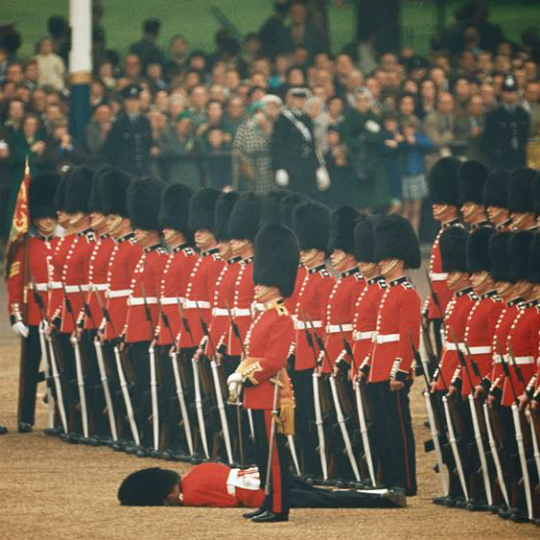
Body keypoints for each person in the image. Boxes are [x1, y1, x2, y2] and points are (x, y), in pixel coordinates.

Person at [226, 223, 299, 522]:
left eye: (260, 283)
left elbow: (273, 360)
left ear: (274, 284)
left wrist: (246, 375)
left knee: (275, 456)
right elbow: (251, 354)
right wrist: (239, 374)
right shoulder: (264, 316)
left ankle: (279, 507)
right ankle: (268, 500)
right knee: (262, 453)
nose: (255, 287)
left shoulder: (281, 318)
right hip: (256, 393)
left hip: (270, 393)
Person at [361, 214, 421, 496]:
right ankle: (389, 476)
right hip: (379, 366)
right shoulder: (387, 292)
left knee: (397, 427)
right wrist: (368, 365)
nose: (380, 262)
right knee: (383, 427)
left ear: (398, 258)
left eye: (385, 258)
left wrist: (399, 370)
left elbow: (409, 338)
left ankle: (406, 480)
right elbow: (378, 336)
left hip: (393, 370)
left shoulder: (407, 293)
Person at [6, 171, 59, 433]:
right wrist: (15, 316)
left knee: (61, 369)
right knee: (30, 369)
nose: (48, 221)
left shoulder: (63, 244)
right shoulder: (25, 246)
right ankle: (26, 417)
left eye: (51, 217)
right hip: (35, 316)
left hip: (60, 316)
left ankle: (60, 416)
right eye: (43, 217)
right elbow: (15, 283)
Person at [117, 463, 406, 508]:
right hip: (270, 476)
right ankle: (380, 492)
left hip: (265, 495)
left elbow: (230, 503)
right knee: (325, 494)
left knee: (328, 500)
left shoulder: (190, 495)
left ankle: (383, 499)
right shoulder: (198, 470)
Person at [123, 178, 167, 454]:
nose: (134, 231)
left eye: (140, 227)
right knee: (140, 385)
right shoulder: (144, 256)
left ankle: (154, 438)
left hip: (152, 332)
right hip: (138, 330)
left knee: (154, 389)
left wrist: (158, 333)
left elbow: (163, 304)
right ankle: (143, 435)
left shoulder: (160, 259)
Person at [271, 87, 329, 199]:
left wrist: (318, 167)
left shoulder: (307, 118)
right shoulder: (283, 119)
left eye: (303, 99)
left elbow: (311, 145)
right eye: (297, 99)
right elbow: (277, 144)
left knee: (310, 197)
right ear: (292, 100)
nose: (300, 102)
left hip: (307, 165)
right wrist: (280, 167)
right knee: (293, 198)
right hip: (291, 165)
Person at [104, 85, 155, 177]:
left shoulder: (145, 122)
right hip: (124, 170)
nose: (133, 104)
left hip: (143, 170)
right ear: (125, 102)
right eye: (129, 100)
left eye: (135, 100)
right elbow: (112, 149)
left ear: (139, 102)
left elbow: (148, 144)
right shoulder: (118, 124)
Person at [484, 74, 530, 170]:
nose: (510, 95)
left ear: (517, 93)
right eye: (507, 92)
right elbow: (489, 138)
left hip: (518, 158)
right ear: (502, 93)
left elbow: (525, 136)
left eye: (513, 92)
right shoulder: (493, 114)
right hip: (500, 159)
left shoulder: (523, 114)